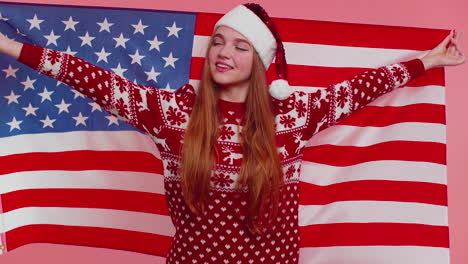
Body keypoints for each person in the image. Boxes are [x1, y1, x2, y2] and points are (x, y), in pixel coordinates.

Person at [0, 3, 465, 264]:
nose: (224, 53)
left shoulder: (293, 116)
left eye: (241, 46)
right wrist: (8, 45)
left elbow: (361, 88)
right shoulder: (172, 113)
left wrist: (429, 60)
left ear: (260, 62)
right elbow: (89, 78)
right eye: (219, 41)